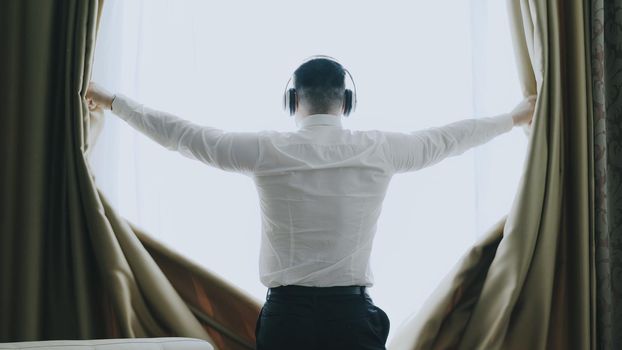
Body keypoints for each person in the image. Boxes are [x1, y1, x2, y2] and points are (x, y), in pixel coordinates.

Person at [86, 55, 536, 350]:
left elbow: (184, 137)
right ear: (348, 101)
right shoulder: (379, 149)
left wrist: (111, 101)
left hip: (287, 323)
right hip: (353, 321)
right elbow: (451, 139)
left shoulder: (268, 150)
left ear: (292, 100)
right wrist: (514, 116)